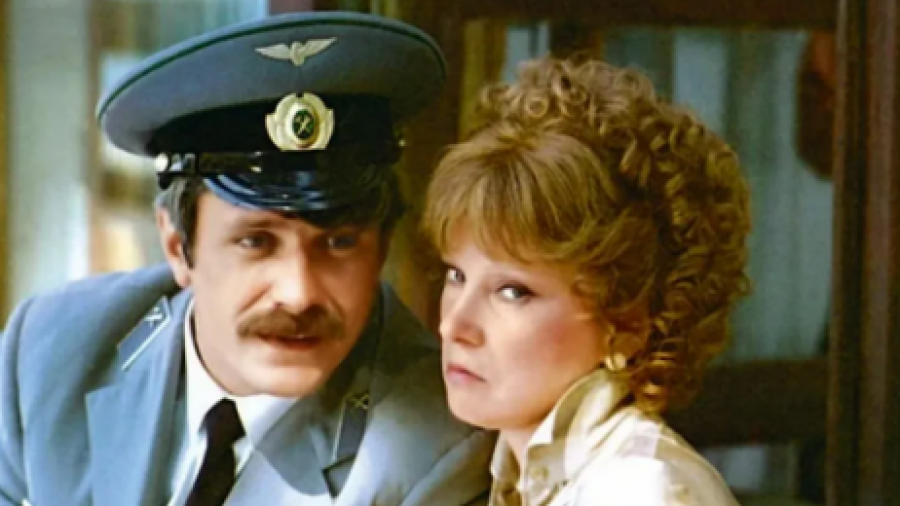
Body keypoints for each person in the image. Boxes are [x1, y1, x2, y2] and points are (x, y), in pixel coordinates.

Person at [0, 11, 493, 506]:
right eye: (256, 242)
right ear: (177, 247)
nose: (298, 293)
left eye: (339, 242)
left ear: (382, 248)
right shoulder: (53, 352)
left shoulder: (434, 452)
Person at [422, 55, 750, 505]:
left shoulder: (639, 490)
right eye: (456, 275)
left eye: (512, 292)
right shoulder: (521, 477)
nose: (453, 326)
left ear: (628, 324)